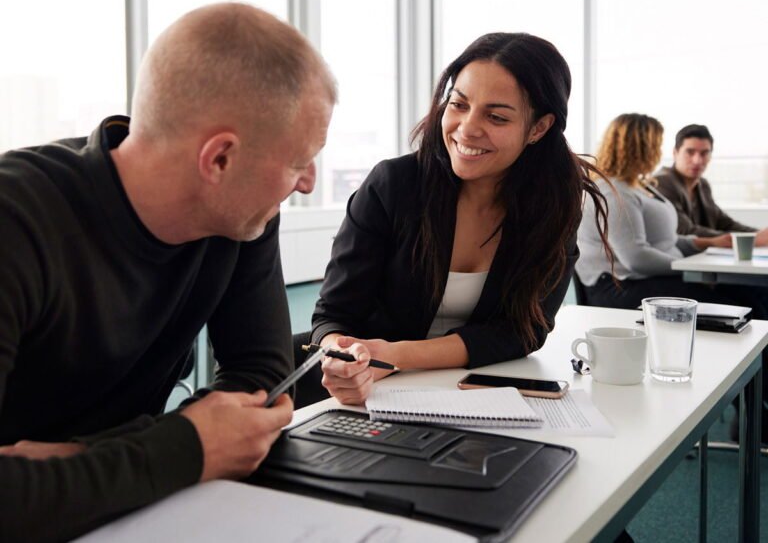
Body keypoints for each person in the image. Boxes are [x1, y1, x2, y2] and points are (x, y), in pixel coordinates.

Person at [0, 3, 336, 541]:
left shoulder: (240, 216)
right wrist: (187, 446)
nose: (307, 185)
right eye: (299, 162)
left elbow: (261, 382)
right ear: (219, 159)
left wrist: (92, 457)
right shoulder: (17, 221)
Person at [303, 32, 611, 406]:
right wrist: (344, 355)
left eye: (496, 116)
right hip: (371, 395)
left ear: (538, 128)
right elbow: (333, 316)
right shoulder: (393, 186)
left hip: (477, 397)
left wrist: (397, 355)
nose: (467, 128)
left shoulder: (553, 206)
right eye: (459, 104)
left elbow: (524, 330)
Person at [576, 113, 767, 314]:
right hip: (622, 287)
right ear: (641, 148)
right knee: (742, 307)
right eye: (656, 146)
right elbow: (637, 257)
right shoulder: (614, 191)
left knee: (756, 294)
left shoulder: (640, 186)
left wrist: (704, 243)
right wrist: (689, 268)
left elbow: (668, 240)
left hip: (651, 279)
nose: (659, 152)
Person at [654, 123, 768, 245]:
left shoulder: (702, 185)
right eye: (690, 152)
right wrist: (748, 239)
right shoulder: (662, 182)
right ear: (675, 153)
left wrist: (759, 234)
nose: (697, 160)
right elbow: (685, 230)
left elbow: (724, 222)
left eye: (704, 153)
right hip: (675, 258)